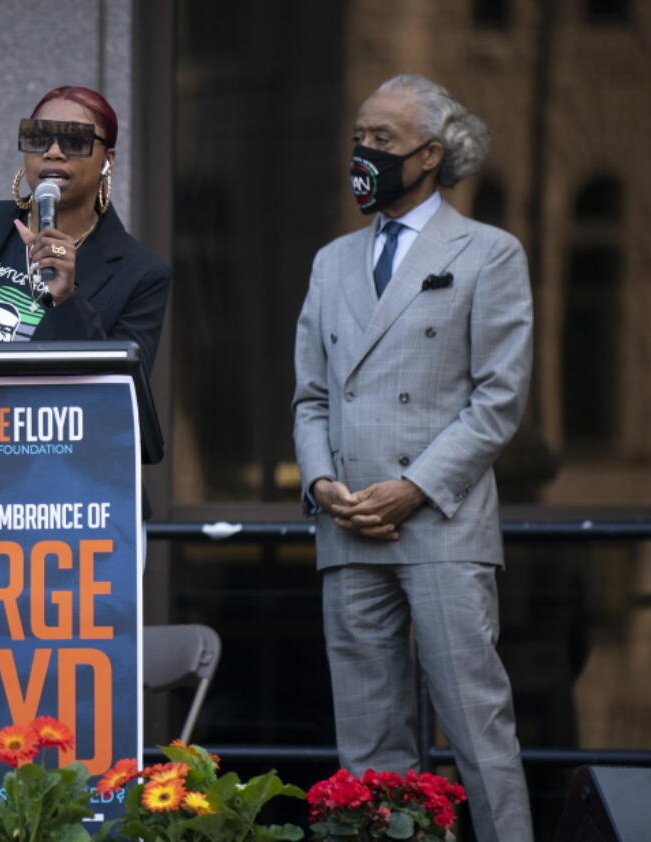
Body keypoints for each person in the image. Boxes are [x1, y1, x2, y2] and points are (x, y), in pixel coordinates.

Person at [291, 74, 534, 842]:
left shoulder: (490, 252)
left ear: (430, 154)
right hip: (347, 529)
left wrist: (413, 488)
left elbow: (499, 399)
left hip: (441, 527)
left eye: (383, 141)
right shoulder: (332, 261)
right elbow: (310, 399)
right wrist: (323, 483)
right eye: (359, 137)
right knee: (367, 752)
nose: (363, 152)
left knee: (477, 732)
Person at [0, 85, 170, 377]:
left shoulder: (141, 273)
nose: (53, 152)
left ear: (107, 159)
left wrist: (67, 299)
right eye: (39, 137)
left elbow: (121, 387)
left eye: (75, 140)